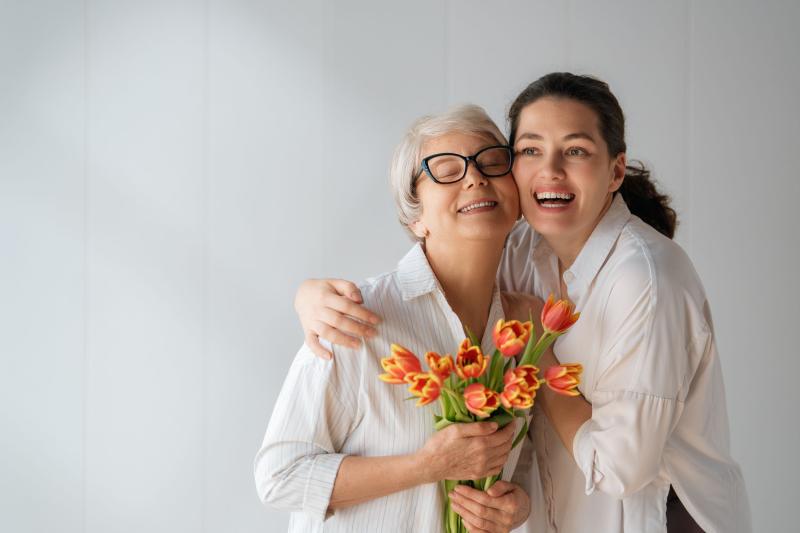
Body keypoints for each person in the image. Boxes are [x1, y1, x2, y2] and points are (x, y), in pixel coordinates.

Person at [293, 73, 751, 532]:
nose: (550, 170)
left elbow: (618, 468)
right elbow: (441, 271)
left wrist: (540, 354)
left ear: (615, 170)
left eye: (575, 150)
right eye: (530, 150)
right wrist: (308, 297)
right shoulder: (517, 250)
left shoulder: (646, 279)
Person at [255, 104, 532, 533]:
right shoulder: (354, 318)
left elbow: (528, 461)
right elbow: (278, 477)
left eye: (493, 161)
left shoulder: (521, 331)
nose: (475, 177)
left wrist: (518, 507)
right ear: (415, 217)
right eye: (445, 169)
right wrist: (427, 465)